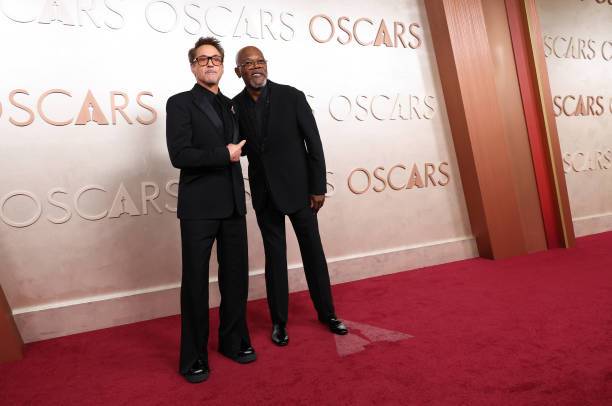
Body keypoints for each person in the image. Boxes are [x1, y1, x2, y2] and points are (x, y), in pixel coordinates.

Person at [232, 46, 348, 347]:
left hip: (301, 192)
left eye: (260, 61)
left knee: (313, 253)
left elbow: (314, 143)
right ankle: (279, 322)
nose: (256, 67)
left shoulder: (292, 96)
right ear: (238, 71)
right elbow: (238, 148)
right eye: (248, 63)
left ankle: (328, 313)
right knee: (275, 259)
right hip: (265, 194)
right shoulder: (234, 106)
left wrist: (318, 187)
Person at [166, 37, 255, 383]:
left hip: (233, 205)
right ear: (193, 66)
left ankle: (233, 342)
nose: (210, 64)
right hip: (198, 208)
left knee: (236, 279)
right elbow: (180, 155)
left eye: (215, 58)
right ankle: (194, 357)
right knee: (195, 284)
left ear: (222, 65)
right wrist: (223, 154)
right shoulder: (180, 103)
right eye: (203, 59)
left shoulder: (232, 105)